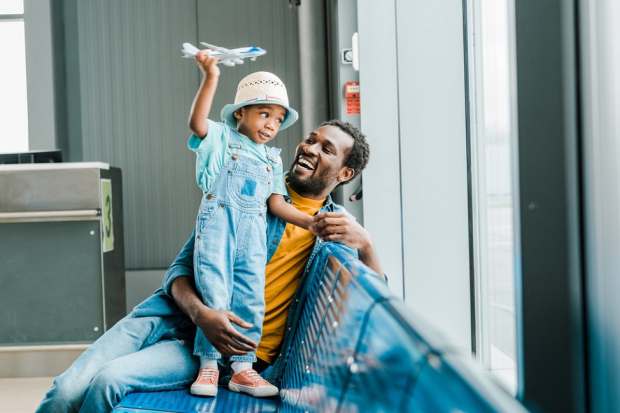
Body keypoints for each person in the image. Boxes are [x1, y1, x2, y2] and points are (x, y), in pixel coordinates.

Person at [36, 118, 383, 413]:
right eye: (311, 139)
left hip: (223, 352)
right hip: (168, 315)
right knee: (65, 390)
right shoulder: (248, 187)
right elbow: (180, 270)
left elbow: (376, 304)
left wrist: (366, 244)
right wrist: (201, 313)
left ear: (345, 172)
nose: (310, 148)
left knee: (109, 381)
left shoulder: (335, 230)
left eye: (327, 149)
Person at [185, 50, 320, 398]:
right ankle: (209, 366)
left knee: (250, 296)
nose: (271, 125)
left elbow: (276, 203)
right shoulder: (220, 140)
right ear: (240, 113)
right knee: (214, 293)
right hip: (218, 230)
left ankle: (242, 369)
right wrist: (211, 76)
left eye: (277, 119)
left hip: (253, 238)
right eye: (264, 114)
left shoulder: (271, 159)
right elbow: (197, 123)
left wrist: (310, 222)